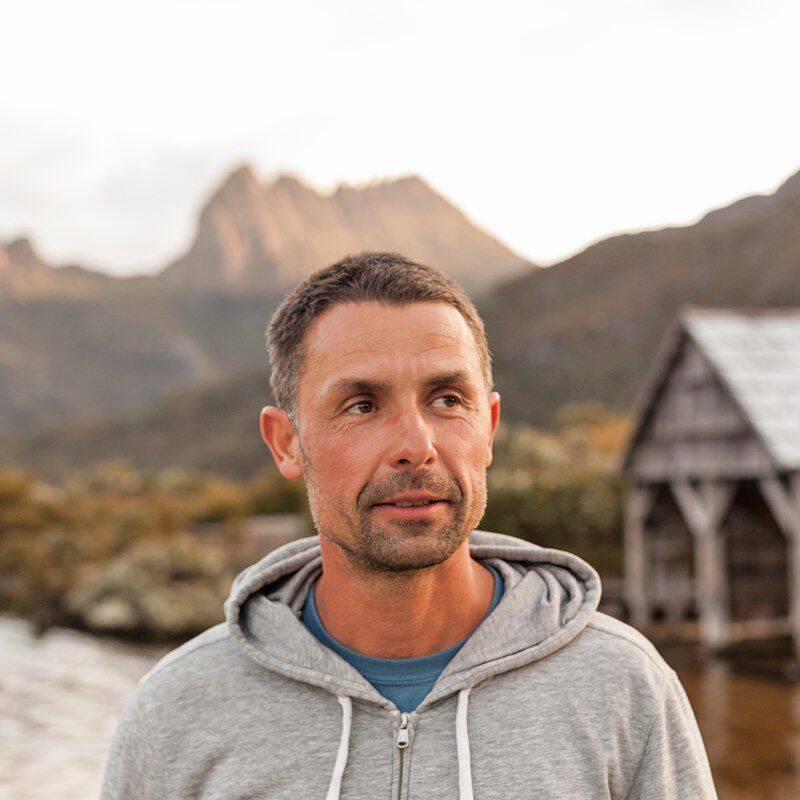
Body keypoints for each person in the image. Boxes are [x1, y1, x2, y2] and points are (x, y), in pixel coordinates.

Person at [100, 251, 718, 799]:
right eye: (362, 405)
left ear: (488, 428)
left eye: (447, 400)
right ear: (287, 443)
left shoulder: (624, 687)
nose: (416, 446)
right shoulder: (177, 709)